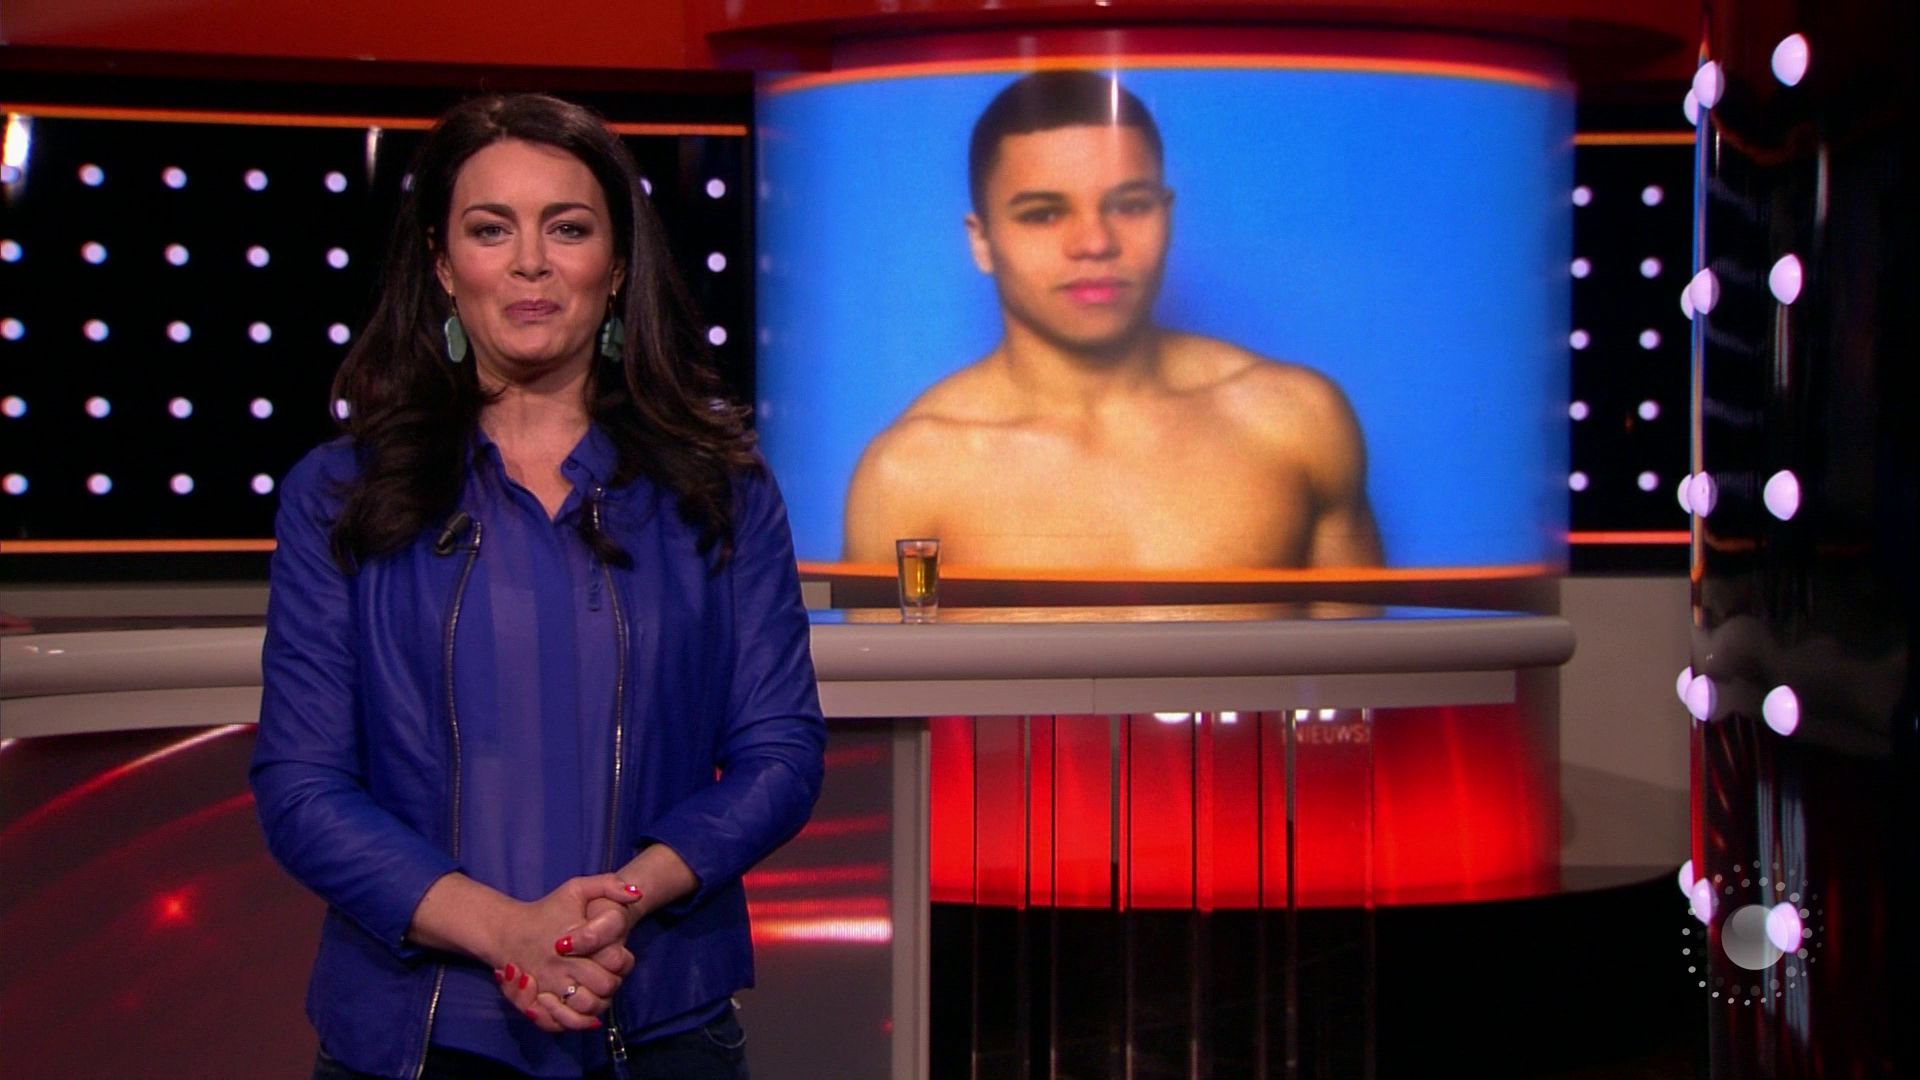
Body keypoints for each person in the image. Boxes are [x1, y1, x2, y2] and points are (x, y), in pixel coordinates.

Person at [251, 94, 825, 1080]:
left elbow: (780, 754)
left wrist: (624, 901)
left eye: (567, 228)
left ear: (618, 265)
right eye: (490, 230)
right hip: (415, 1034)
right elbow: (301, 789)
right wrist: (506, 933)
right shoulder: (338, 495)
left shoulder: (719, 491)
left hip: (659, 1017)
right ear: (443, 265)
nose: (529, 263)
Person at [843, 71, 1383, 570]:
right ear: (981, 241)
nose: (1096, 242)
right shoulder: (910, 476)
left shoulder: (1297, 423)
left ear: (1167, 216)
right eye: (1043, 214)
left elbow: (1364, 649)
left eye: (1130, 205)